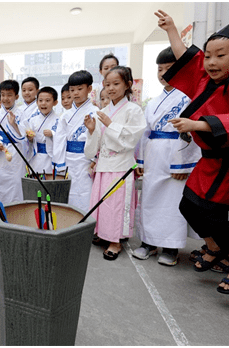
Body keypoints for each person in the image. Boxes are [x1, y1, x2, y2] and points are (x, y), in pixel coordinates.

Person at [156, 10, 229, 294]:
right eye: (208, 55)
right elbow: (187, 58)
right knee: (188, 205)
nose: (210, 62)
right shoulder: (204, 79)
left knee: (214, 213)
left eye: (220, 55)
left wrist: (196, 124)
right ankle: (216, 249)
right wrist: (171, 30)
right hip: (209, 160)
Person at [133, 47, 200, 266]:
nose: (163, 74)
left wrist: (184, 164)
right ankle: (148, 242)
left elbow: (191, 132)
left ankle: (171, 247)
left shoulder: (189, 97)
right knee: (150, 200)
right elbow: (145, 132)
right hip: (154, 154)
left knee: (172, 202)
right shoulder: (152, 102)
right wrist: (140, 160)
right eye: (160, 69)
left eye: (169, 69)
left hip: (175, 157)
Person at [83, 66, 146, 260]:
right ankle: (103, 233)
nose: (111, 88)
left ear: (127, 85)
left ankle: (115, 241)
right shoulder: (103, 111)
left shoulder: (133, 110)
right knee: (102, 203)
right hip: (103, 165)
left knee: (116, 204)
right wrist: (93, 130)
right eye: (107, 84)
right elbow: (96, 145)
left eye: (116, 84)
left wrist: (110, 125)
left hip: (120, 166)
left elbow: (131, 140)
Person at [52, 70, 99, 211]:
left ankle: (87, 222)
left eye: (80, 89)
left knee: (86, 191)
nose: (76, 93)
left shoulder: (95, 111)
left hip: (86, 158)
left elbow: (98, 136)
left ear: (89, 89)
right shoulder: (65, 115)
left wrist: (94, 159)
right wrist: (59, 163)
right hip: (68, 158)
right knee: (70, 191)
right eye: (72, 90)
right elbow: (59, 139)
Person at [0, 80, 26, 205]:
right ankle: (1, 210)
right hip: (1, 152)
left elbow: (24, 134)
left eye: (9, 95)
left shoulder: (21, 113)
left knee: (16, 183)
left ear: (16, 96)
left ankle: (16, 210)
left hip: (16, 153)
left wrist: (14, 124)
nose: (5, 98)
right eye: (3, 94)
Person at [26, 87, 60, 174]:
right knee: (35, 179)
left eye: (47, 100)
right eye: (40, 100)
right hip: (35, 155)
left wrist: (52, 134)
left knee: (48, 181)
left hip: (50, 157)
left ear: (55, 102)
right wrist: (30, 138)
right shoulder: (33, 120)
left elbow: (62, 137)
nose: (43, 103)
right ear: (37, 102)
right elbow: (28, 139)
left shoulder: (58, 120)